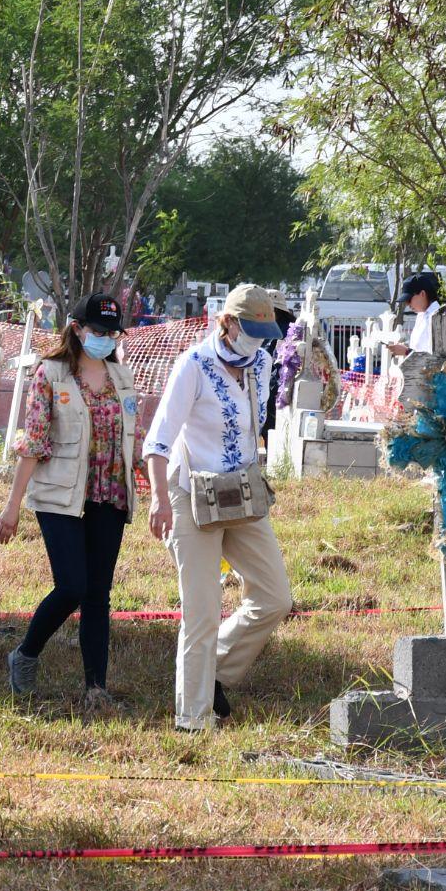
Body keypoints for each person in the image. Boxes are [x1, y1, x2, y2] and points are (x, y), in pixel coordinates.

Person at [143, 284, 294, 731]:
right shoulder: (193, 364)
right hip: (190, 497)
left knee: (274, 598)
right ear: (226, 322)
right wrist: (158, 499)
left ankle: (212, 675)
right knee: (202, 611)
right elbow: (158, 441)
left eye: (264, 331)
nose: (258, 339)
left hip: (243, 496)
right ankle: (193, 719)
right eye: (250, 329)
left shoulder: (263, 364)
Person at [0, 293, 137, 712]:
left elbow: (133, 439)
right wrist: (12, 505)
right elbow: (34, 442)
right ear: (77, 329)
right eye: (99, 332)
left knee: (98, 594)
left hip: (109, 495)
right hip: (59, 497)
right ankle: (25, 654)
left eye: (112, 333)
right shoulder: (50, 374)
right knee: (72, 586)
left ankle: (96, 687)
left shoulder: (121, 376)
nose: (107, 339)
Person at [387, 271, 444, 360]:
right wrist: (406, 348)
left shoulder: (439, 316)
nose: (407, 304)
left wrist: (406, 352)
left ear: (422, 294)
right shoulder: (421, 315)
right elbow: (419, 348)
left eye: (409, 299)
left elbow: (436, 357)